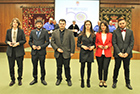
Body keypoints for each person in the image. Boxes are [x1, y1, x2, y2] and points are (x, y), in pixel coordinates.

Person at [51, 19, 75, 86]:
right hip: (58, 53)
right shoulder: (55, 32)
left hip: (67, 53)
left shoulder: (69, 32)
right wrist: (57, 48)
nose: (62, 25)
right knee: (59, 67)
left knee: (67, 67)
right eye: (60, 23)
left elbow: (72, 42)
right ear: (58, 24)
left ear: (65, 24)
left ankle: (68, 79)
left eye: (63, 24)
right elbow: (52, 42)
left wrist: (72, 51)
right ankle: (59, 79)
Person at [112, 18, 134, 90]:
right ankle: (114, 81)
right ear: (118, 24)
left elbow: (131, 43)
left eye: (123, 23)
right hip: (118, 54)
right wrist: (119, 52)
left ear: (126, 23)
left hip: (127, 54)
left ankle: (128, 83)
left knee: (127, 69)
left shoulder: (130, 32)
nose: (122, 25)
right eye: (120, 23)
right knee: (116, 68)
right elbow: (114, 43)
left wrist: (127, 52)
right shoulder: (115, 32)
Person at [5, 18, 26, 86]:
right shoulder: (8, 31)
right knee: (11, 66)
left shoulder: (21, 31)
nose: (15, 23)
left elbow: (24, 40)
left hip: (19, 51)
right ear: (12, 24)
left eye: (16, 22)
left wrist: (18, 43)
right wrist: (8, 43)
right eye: (14, 22)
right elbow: (6, 40)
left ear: (18, 24)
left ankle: (19, 79)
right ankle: (12, 80)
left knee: (20, 66)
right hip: (10, 51)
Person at [29, 19, 50, 85]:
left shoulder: (45, 32)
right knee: (34, 66)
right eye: (37, 24)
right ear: (35, 25)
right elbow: (30, 41)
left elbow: (47, 42)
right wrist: (32, 46)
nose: (39, 25)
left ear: (42, 25)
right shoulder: (32, 32)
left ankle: (43, 79)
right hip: (34, 52)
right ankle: (35, 79)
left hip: (42, 52)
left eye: (40, 24)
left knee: (42, 66)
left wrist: (41, 47)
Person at [77, 20, 95, 88]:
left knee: (89, 67)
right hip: (83, 52)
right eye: (86, 24)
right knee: (82, 67)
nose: (87, 26)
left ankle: (88, 80)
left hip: (90, 52)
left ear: (91, 25)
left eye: (89, 24)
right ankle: (82, 80)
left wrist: (93, 47)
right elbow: (78, 44)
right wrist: (82, 46)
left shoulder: (93, 35)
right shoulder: (81, 34)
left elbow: (95, 44)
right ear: (84, 25)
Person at [95, 21, 112, 88]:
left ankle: (105, 81)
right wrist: (98, 45)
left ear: (106, 27)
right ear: (100, 27)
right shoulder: (97, 34)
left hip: (107, 53)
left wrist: (108, 46)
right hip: (99, 53)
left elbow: (111, 43)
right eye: (102, 26)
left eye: (104, 26)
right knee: (100, 67)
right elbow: (95, 42)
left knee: (105, 68)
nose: (103, 27)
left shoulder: (110, 34)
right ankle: (100, 80)